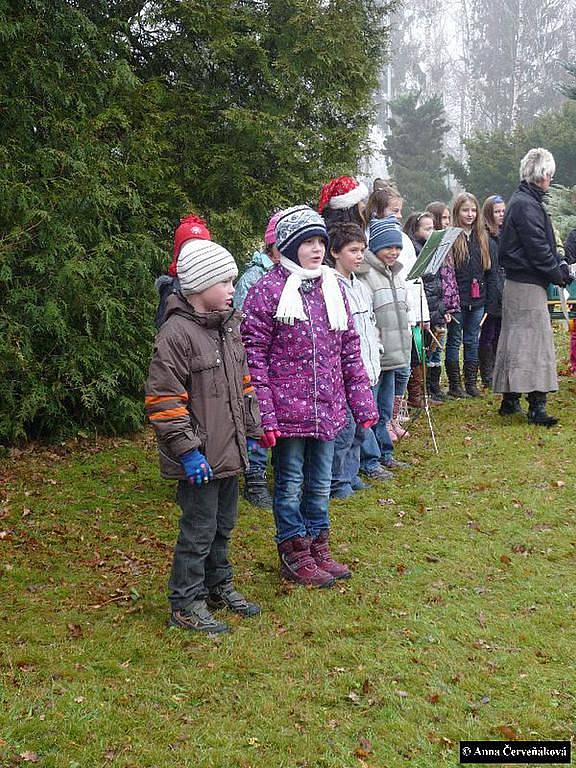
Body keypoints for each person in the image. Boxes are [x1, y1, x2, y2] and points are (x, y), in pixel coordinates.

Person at [241, 206, 378, 588]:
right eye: (308, 243)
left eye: (321, 241)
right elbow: (253, 356)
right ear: (288, 246)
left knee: (319, 483)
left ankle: (319, 544)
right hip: (287, 414)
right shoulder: (267, 291)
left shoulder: (332, 287)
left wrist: (362, 403)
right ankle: (294, 550)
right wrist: (264, 416)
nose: (317, 250)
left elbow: (349, 350)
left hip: (327, 409)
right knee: (289, 484)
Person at [145, 239, 263, 634]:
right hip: (199, 460)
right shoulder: (176, 334)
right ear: (199, 286)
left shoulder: (229, 327)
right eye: (225, 281)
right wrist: (188, 452)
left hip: (228, 451)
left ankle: (218, 586)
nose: (233, 288)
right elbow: (164, 402)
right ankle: (185, 601)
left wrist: (249, 431)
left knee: (224, 524)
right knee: (198, 529)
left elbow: (243, 384)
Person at [493, 148, 572, 425]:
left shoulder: (523, 201)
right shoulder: (526, 204)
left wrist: (558, 264)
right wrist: (558, 274)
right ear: (543, 175)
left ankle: (510, 399)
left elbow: (541, 243)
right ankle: (536, 406)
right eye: (549, 174)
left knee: (515, 340)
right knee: (534, 343)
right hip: (526, 284)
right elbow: (537, 248)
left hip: (520, 282)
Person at [326, 222, 383, 498]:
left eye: (362, 250)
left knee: (361, 427)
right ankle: (337, 480)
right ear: (335, 252)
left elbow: (369, 326)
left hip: (368, 368)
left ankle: (351, 472)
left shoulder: (360, 286)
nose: (360, 256)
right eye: (353, 250)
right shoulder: (330, 287)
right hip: (346, 372)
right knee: (345, 429)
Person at [232, 212, 283, 509]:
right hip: (256, 361)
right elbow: (240, 325)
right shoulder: (252, 278)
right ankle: (255, 479)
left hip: (282, 363)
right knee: (257, 419)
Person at [366, 183, 430, 410]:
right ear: (377, 211)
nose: (400, 215)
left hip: (404, 316)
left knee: (403, 369)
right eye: (394, 211)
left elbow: (412, 281)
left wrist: (418, 313)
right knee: (386, 377)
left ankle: (393, 415)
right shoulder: (372, 251)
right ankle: (385, 419)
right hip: (383, 326)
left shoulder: (402, 242)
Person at [357, 215, 412, 470]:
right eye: (388, 247)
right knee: (371, 410)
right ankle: (369, 460)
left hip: (394, 356)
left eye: (397, 247)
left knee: (386, 410)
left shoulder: (396, 275)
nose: (394, 252)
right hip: (376, 357)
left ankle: (385, 453)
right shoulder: (366, 276)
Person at [447, 193, 497, 398]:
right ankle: (455, 385)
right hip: (458, 299)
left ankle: (471, 383)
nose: (470, 214)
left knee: (472, 340)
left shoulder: (482, 237)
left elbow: (489, 270)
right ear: (457, 212)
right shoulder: (451, 236)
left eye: (473, 210)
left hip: (478, 299)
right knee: (454, 340)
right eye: (465, 210)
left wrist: (489, 299)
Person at [404, 211, 448, 403]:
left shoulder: (431, 249)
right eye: (427, 228)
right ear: (416, 229)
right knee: (418, 348)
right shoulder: (413, 249)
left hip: (433, 304)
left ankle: (425, 390)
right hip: (421, 304)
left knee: (428, 350)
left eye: (433, 228)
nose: (431, 232)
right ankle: (416, 394)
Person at [155, 214, 211, 329]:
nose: (194, 254)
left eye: (200, 249)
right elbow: (162, 325)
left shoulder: (215, 284)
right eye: (188, 248)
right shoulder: (171, 288)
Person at [478, 196, 506, 388]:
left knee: (499, 333)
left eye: (503, 211)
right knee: (487, 334)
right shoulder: (485, 236)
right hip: (490, 290)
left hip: (504, 288)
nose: (501, 215)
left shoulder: (505, 233)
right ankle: (487, 374)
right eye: (497, 212)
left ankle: (497, 371)